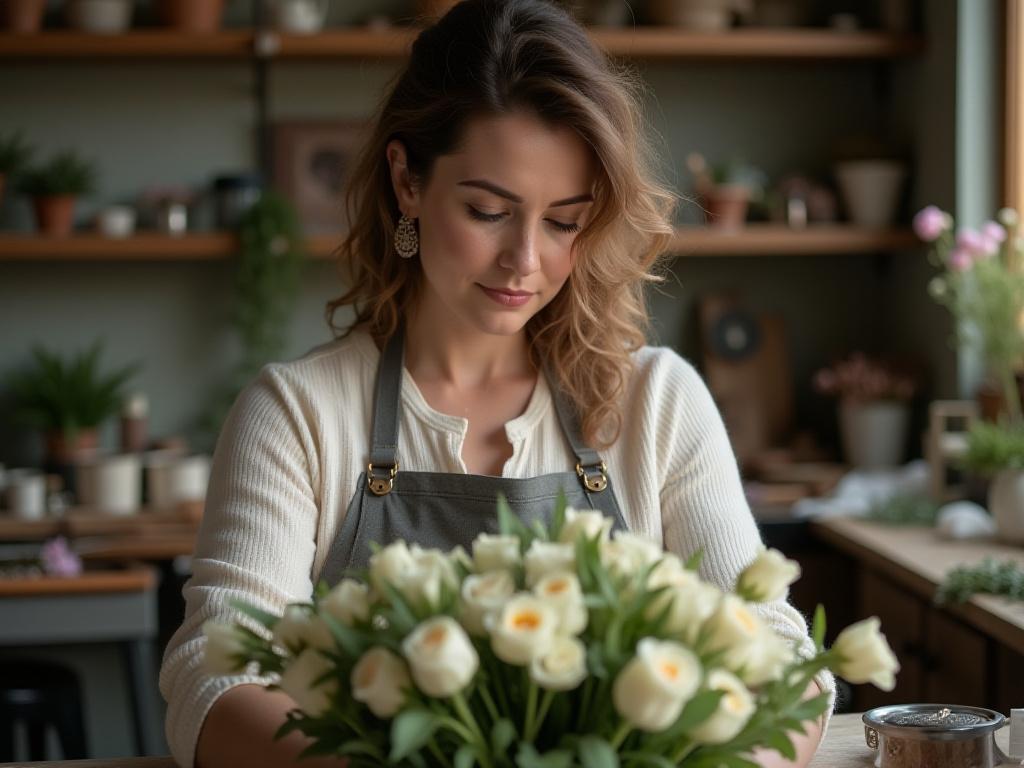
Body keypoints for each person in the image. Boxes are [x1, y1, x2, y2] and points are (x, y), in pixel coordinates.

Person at [159, 2, 835, 766]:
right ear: (407, 181)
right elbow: (214, 675)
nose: (525, 260)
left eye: (563, 221)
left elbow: (781, 653)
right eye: (488, 211)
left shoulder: (657, 404)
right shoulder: (300, 414)